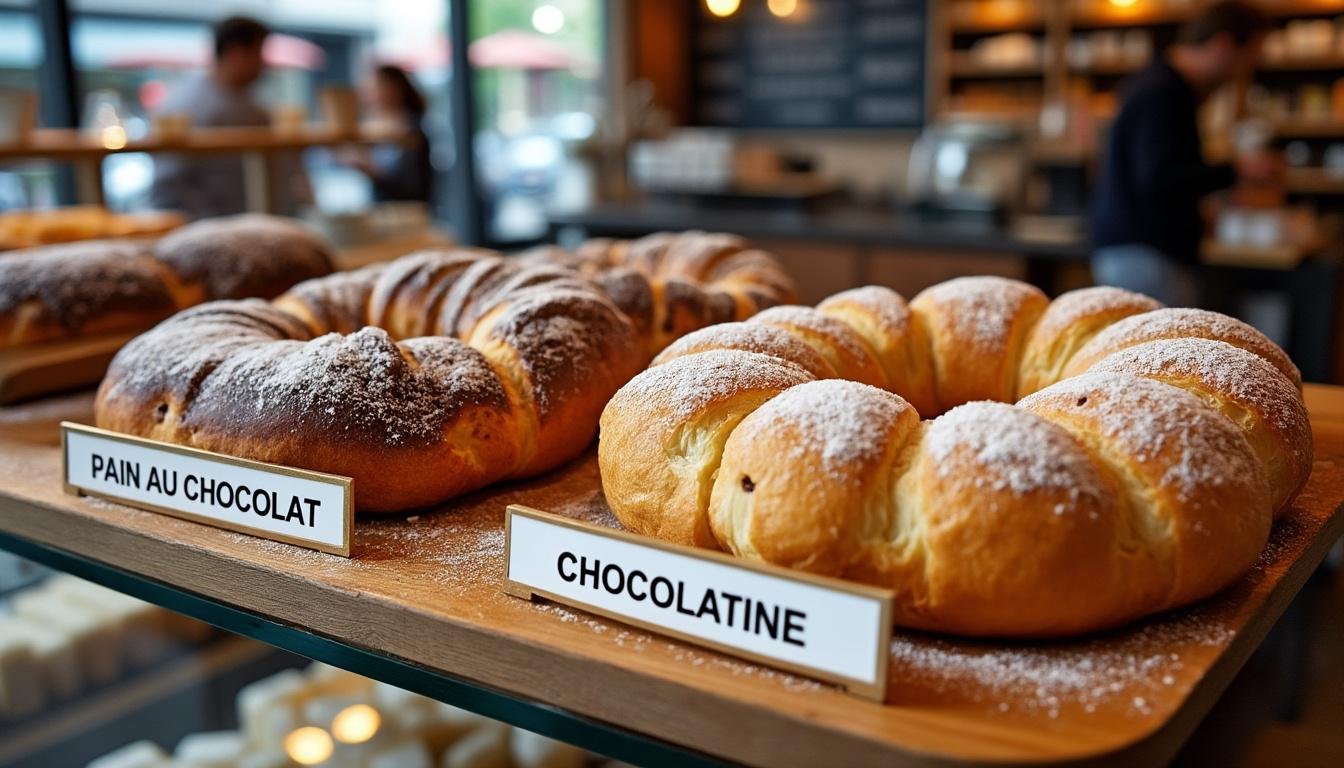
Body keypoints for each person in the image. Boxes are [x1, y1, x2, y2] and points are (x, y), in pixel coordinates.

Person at [1090, 1, 1280, 306]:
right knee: (1161, 350)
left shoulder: (1162, 85)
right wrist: (1236, 170)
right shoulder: (1164, 93)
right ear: (1223, 44)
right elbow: (1160, 177)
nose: (1247, 70)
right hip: (1146, 254)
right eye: (1250, 57)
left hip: (1139, 250)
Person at [149, 16, 310, 219]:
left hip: (255, 226)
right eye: (259, 53)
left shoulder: (252, 105)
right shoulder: (189, 107)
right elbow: (168, 190)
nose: (264, 65)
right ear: (235, 52)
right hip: (216, 232)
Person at [342, 65, 434, 204]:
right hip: (384, 210)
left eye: (376, 88)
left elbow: (412, 189)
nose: (369, 94)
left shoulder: (410, 131)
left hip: (407, 213)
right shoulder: (374, 128)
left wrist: (370, 170)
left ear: (396, 89)